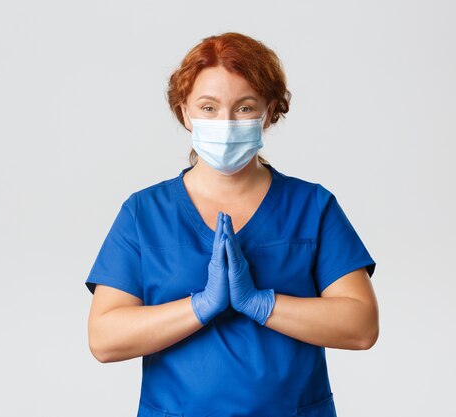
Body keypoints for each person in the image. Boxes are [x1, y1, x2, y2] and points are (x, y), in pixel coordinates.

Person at [84, 32, 379, 417]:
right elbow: (104, 339)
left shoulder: (312, 206)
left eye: (244, 107)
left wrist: (261, 303)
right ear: (184, 112)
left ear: (270, 111)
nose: (225, 122)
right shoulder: (144, 213)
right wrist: (201, 306)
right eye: (208, 107)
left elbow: (361, 326)